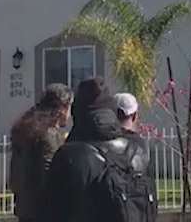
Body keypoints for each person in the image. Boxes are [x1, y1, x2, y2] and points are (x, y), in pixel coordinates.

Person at [43, 79, 157, 222]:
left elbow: (52, 211)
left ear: (78, 113)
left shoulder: (68, 157)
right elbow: (152, 208)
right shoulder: (138, 151)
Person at [9, 84, 71, 222]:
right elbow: (51, 176)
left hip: (26, 209)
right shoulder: (48, 135)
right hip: (44, 211)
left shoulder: (27, 130)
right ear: (63, 108)